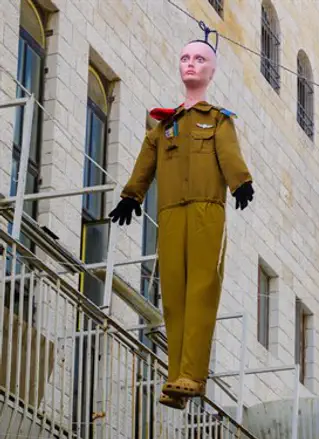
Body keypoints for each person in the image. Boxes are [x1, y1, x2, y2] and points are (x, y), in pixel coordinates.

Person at [108, 37, 254, 410]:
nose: (191, 64)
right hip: (171, 212)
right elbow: (145, 163)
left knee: (202, 289)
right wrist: (131, 196)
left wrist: (241, 183)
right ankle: (176, 378)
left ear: (212, 70)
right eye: (186, 58)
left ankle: (193, 374)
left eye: (200, 59)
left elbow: (230, 154)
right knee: (173, 293)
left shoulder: (218, 120)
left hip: (208, 209)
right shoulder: (163, 127)